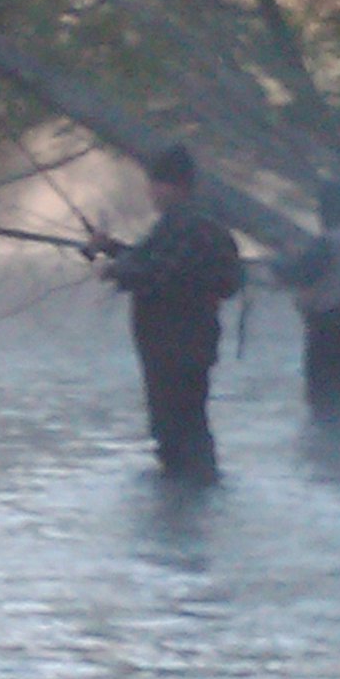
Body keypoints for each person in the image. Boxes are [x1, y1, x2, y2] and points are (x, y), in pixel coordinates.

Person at [87, 145, 243, 480]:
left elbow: (158, 272)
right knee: (191, 421)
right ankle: (196, 495)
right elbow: (154, 259)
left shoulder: (183, 225)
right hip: (194, 341)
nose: (151, 192)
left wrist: (114, 271)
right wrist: (111, 248)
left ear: (174, 186)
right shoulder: (198, 223)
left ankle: (184, 499)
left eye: (155, 185)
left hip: (173, 343)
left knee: (175, 428)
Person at [272, 180, 340, 429]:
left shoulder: (329, 242)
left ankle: (328, 454)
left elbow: (298, 274)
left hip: (326, 327)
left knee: (321, 398)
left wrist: (280, 261)